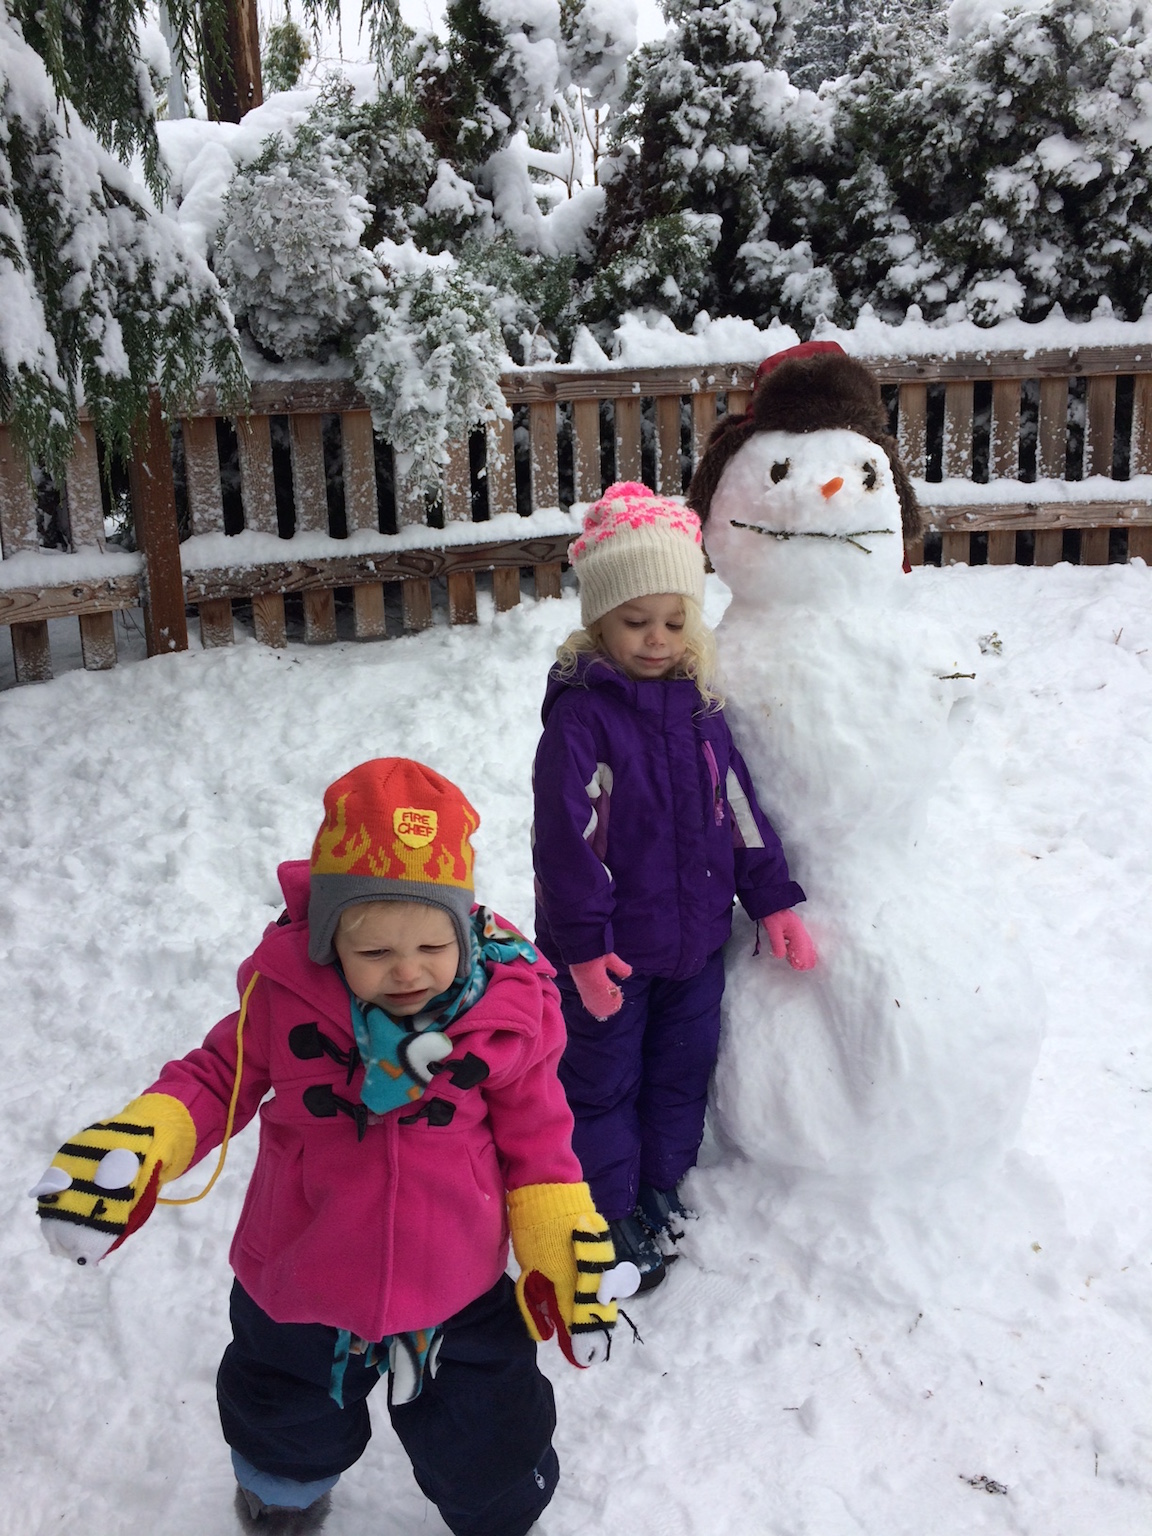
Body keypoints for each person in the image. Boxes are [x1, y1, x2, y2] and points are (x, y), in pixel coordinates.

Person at [32, 758, 625, 1536]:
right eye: (376, 953)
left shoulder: (504, 1017)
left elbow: (540, 1140)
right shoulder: (286, 1000)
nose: (408, 971)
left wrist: (559, 1242)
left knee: (489, 1426)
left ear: (465, 930)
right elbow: (219, 1075)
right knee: (284, 1407)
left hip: (455, 1277)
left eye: (430, 947)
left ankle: (500, 1511)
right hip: (303, 1269)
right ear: (330, 942)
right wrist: (150, 1135)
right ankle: (282, 1494)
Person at [531, 482, 817, 1291]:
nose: (656, 639)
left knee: (678, 1074)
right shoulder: (583, 718)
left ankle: (658, 1184)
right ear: (598, 620)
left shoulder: (700, 706)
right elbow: (564, 847)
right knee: (603, 1079)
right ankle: (607, 1205)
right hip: (612, 958)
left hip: (694, 948)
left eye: (674, 620)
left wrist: (772, 896)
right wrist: (584, 952)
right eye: (634, 622)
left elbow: (741, 811)